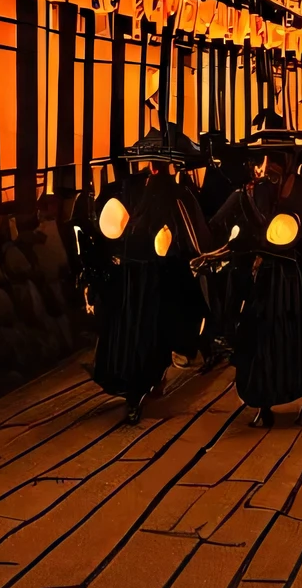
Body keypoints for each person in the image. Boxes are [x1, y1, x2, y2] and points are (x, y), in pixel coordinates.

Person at [206, 133, 302, 426]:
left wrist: (299, 240)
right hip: (263, 277)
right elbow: (222, 224)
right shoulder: (251, 193)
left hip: (290, 278)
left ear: (288, 161)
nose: (267, 167)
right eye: (263, 160)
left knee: (296, 336)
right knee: (259, 337)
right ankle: (263, 400)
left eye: (275, 159)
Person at [85, 127, 209, 424]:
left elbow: (112, 230)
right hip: (157, 277)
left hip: (130, 274)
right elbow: (194, 238)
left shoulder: (130, 190)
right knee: (154, 331)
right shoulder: (176, 194)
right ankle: (145, 382)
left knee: (130, 330)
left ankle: (133, 384)